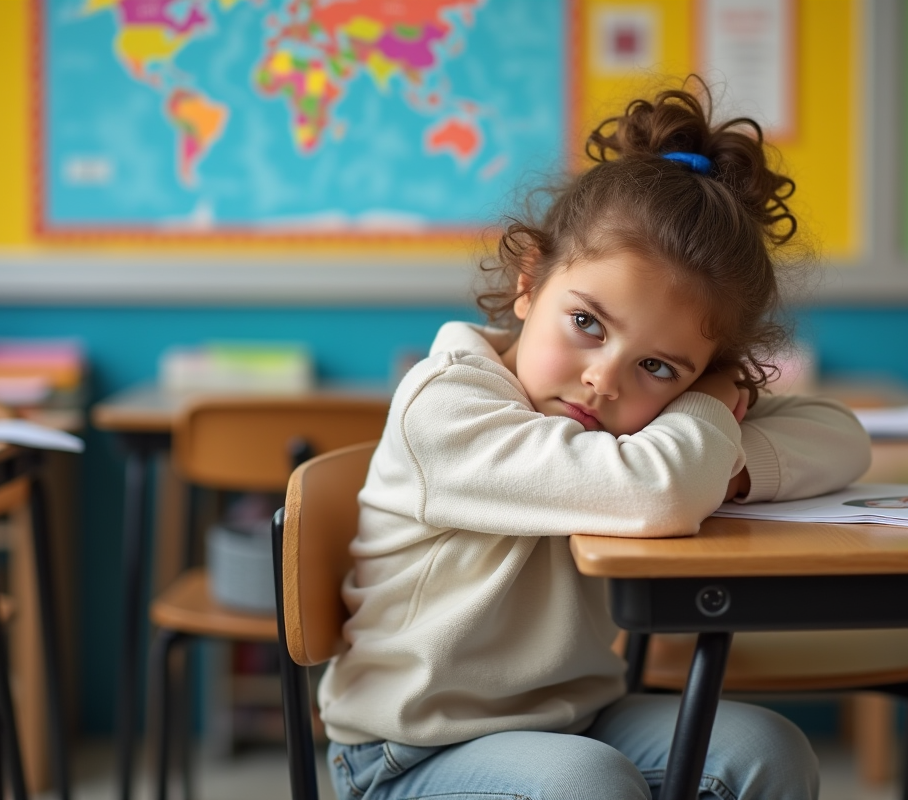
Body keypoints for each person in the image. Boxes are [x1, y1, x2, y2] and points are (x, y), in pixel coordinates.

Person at [318, 79, 873, 800]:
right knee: (587, 784)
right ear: (529, 281)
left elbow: (841, 437)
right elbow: (659, 492)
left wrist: (715, 453)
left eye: (657, 367)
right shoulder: (446, 405)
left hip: (573, 718)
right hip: (410, 749)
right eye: (587, 324)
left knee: (769, 751)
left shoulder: (659, 423)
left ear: (704, 373)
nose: (603, 382)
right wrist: (700, 423)